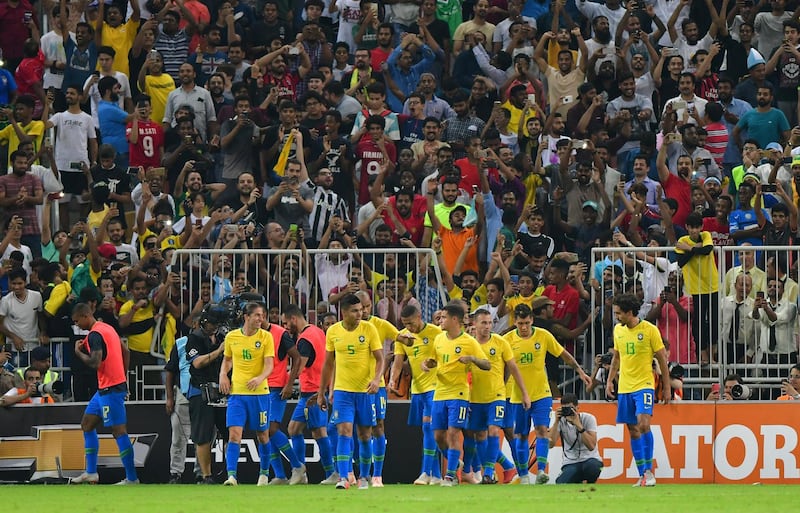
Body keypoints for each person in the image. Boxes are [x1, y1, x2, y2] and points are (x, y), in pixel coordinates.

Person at [504, 303, 591, 484]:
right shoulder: (508, 340)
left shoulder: (543, 336)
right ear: (515, 322)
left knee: (542, 429)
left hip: (542, 393)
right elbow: (502, 367)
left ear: (532, 320)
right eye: (520, 323)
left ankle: (542, 471)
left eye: (527, 323)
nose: (524, 327)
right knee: (520, 434)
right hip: (518, 395)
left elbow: (564, 354)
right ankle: (523, 474)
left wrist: (580, 372)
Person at [317, 293, 384, 490]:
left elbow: (380, 359)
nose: (360, 313)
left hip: (365, 392)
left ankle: (364, 476)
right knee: (343, 431)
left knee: (364, 434)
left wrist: (375, 379)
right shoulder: (333, 332)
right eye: (355, 310)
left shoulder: (369, 329)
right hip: (342, 392)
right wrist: (322, 391)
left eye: (361, 310)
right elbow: (328, 364)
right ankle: (344, 477)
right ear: (344, 312)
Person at [421, 302, 490, 486]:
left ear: (454, 320)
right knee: (438, 436)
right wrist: (427, 364)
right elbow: (434, 360)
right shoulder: (439, 339)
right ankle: (455, 462)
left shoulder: (469, 342)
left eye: (443, 317)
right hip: (439, 393)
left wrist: (473, 359)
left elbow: (487, 364)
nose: (440, 321)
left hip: (459, 394)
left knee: (453, 434)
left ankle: (450, 476)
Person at [69, 302, 139, 485]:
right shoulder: (106, 328)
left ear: (85, 316)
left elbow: (95, 363)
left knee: (119, 432)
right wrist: (122, 376)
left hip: (110, 389)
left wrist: (78, 352)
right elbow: (126, 351)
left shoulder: (94, 335)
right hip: (105, 388)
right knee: (87, 424)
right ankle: (91, 473)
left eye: (77, 321)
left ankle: (132, 478)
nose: (77, 325)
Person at [606, 294, 670, 487]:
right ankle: (642, 474)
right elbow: (616, 358)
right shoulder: (618, 330)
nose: (616, 316)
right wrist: (610, 381)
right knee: (632, 430)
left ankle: (649, 472)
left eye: (618, 313)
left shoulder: (650, 330)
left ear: (629, 312)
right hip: (625, 386)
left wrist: (666, 387)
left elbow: (661, 360)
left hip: (644, 385)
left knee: (643, 424)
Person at [468, 308, 530, 484]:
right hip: (475, 397)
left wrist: (524, 393)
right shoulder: (469, 344)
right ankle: (497, 470)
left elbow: (513, 368)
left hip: (497, 396)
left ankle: (488, 472)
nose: (488, 326)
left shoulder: (501, 342)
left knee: (494, 430)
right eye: (484, 323)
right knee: (480, 435)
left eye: (490, 323)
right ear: (475, 324)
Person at [218, 302, 275, 486]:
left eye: (262, 315)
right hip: (237, 394)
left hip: (260, 394)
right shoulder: (232, 337)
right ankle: (232, 476)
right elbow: (227, 360)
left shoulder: (266, 337)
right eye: (257, 315)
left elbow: (269, 365)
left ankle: (264, 474)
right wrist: (223, 375)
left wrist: (260, 378)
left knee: (262, 436)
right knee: (234, 435)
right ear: (246, 317)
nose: (261, 319)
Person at [389, 304, 443, 485]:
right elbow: (398, 362)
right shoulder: (403, 337)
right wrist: (392, 380)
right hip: (417, 389)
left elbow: (445, 357)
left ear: (419, 316)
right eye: (405, 324)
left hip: (436, 388)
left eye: (411, 324)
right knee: (427, 430)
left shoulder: (436, 333)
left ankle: (425, 472)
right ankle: (436, 475)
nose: (409, 328)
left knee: (429, 428)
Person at [283, 304, 337, 484]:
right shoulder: (317, 331)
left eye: (286, 323)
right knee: (294, 429)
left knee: (319, 432)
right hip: (312, 391)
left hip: (313, 392)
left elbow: (299, 366)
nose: (285, 327)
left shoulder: (304, 339)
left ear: (293, 319)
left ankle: (331, 472)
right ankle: (300, 471)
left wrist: (287, 382)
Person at [185, 303, 228, 484]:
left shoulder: (222, 336)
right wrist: (219, 351)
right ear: (203, 321)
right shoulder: (194, 338)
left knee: (230, 432)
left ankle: (230, 472)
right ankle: (206, 475)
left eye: (217, 323)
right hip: (200, 391)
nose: (215, 326)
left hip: (221, 389)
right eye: (212, 323)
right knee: (203, 435)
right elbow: (196, 363)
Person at [548, 393, 603, 484]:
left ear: (577, 408)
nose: (568, 412)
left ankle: (590, 483)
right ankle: (576, 480)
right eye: (565, 409)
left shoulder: (588, 418)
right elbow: (550, 444)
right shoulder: (560, 421)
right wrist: (556, 422)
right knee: (561, 483)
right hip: (571, 462)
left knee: (593, 467)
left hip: (590, 459)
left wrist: (578, 425)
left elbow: (591, 446)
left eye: (571, 409)